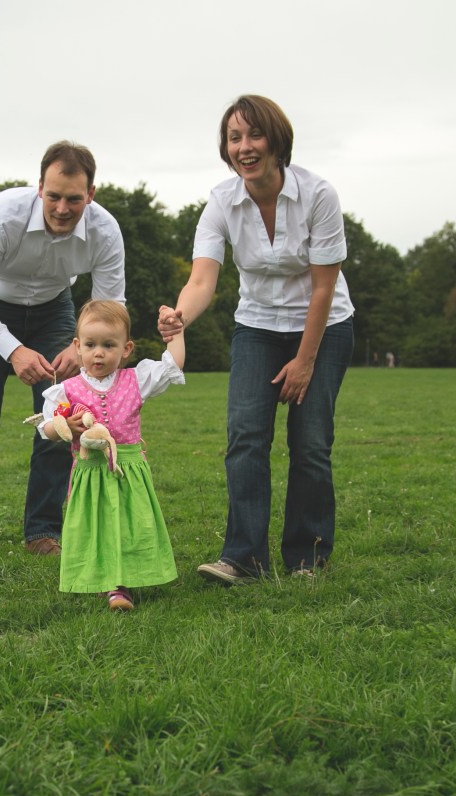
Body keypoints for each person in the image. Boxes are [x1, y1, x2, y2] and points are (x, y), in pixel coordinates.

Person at [159, 94, 354, 584]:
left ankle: (307, 558)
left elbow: (324, 287)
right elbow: (202, 277)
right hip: (257, 327)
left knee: (310, 441)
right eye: (234, 138)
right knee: (246, 436)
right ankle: (244, 557)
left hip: (324, 326)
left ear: (277, 140)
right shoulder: (221, 201)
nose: (244, 147)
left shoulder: (318, 195)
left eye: (254, 135)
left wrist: (305, 361)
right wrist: (180, 316)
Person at [0, 142, 126, 555]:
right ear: (39, 188)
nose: (62, 209)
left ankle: (42, 531)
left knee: (63, 423)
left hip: (55, 313)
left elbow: (109, 307)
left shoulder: (105, 231)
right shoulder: (2, 215)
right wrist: (14, 350)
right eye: (54, 196)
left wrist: (76, 348)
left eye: (74, 199)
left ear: (91, 194)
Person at [38, 300, 185, 611]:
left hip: (128, 471)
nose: (99, 353)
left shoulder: (135, 380)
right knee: (97, 526)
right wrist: (65, 426)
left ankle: (122, 581)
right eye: (90, 345)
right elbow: (46, 428)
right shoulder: (67, 389)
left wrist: (176, 332)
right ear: (77, 347)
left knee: (129, 525)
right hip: (90, 473)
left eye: (108, 345)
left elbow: (172, 364)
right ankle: (107, 581)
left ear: (126, 349)